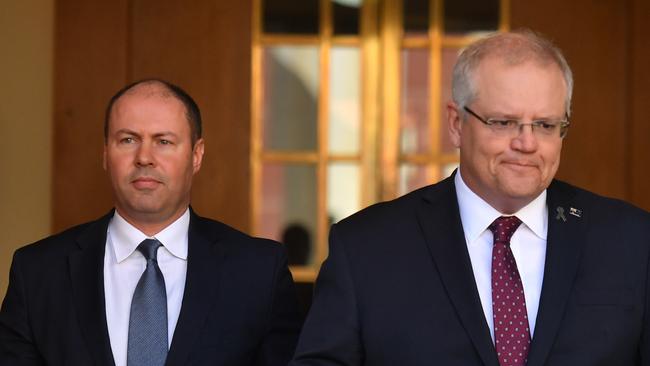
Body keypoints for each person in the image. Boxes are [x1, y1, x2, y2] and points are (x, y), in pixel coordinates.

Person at [290, 30, 650, 365]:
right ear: (456, 124)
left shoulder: (631, 241)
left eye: (544, 125)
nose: (526, 143)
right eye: (503, 122)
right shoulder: (366, 247)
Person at [0, 79, 302, 366]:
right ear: (105, 153)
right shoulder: (37, 272)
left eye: (164, 141)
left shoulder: (259, 273)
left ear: (196, 155)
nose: (144, 157)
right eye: (128, 139)